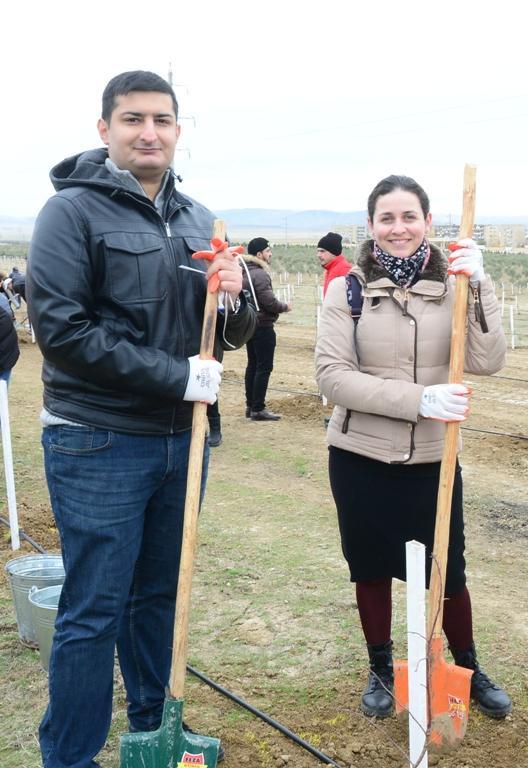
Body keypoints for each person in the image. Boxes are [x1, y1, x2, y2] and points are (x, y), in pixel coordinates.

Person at [26, 70, 256, 768]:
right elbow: (61, 330)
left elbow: (232, 332)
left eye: (161, 119)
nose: (147, 132)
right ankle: (71, 755)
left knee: (157, 597)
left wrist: (236, 299)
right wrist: (178, 376)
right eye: (132, 120)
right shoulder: (69, 214)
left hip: (181, 442)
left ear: (178, 131)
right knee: (95, 608)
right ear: (105, 131)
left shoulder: (198, 220)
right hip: (98, 439)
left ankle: (155, 733)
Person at [315, 174, 513, 720]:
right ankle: (381, 667)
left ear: (428, 222)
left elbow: (489, 359)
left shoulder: (455, 284)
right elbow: (333, 378)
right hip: (360, 458)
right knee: (370, 567)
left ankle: (467, 668)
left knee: (448, 573)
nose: (398, 228)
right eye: (387, 218)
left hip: (433, 460)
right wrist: (421, 399)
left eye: (409, 217)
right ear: (371, 225)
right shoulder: (347, 289)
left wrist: (482, 284)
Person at [242, 237, 291, 421]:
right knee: (264, 367)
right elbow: (269, 302)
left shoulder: (245, 273)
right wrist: (285, 306)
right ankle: (258, 408)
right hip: (263, 326)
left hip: (250, 325)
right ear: (259, 254)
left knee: (253, 365)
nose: (270, 254)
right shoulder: (260, 274)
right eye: (268, 250)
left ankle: (250, 406)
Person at [317, 231, 351, 296]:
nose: (318, 255)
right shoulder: (330, 269)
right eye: (318, 251)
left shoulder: (345, 270)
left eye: (322, 251)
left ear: (333, 252)